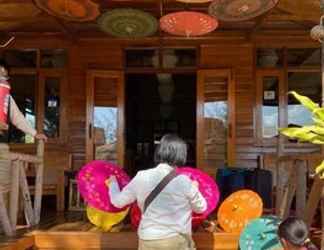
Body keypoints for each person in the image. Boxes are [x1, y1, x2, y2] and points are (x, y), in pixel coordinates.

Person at [106, 134, 207, 250]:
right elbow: (201, 208)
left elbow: (118, 202)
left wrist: (113, 184)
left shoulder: (141, 176)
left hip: (148, 240)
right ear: (181, 155)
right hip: (177, 241)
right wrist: (195, 188)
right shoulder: (184, 181)